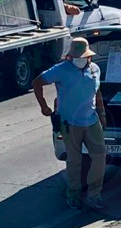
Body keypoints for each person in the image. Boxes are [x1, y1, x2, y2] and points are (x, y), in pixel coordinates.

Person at [33, 37, 107, 210]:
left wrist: (102, 115)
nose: (80, 60)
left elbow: (97, 93)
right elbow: (37, 82)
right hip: (70, 123)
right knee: (75, 160)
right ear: (70, 57)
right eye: (77, 57)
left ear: (89, 57)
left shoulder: (95, 69)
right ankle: (73, 195)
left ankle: (94, 194)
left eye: (83, 57)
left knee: (100, 156)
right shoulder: (60, 70)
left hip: (91, 120)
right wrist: (43, 106)